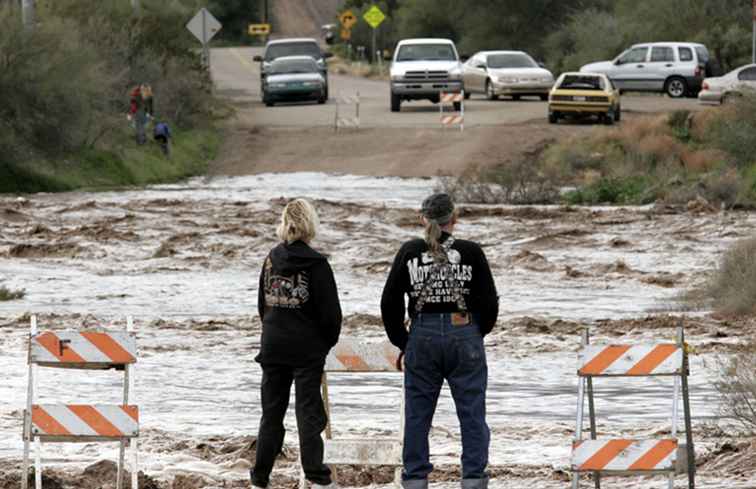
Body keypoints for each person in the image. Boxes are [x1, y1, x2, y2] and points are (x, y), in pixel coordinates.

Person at [381, 193, 498, 489]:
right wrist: (474, 333)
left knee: (417, 416)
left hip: (422, 337)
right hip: (465, 335)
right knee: (472, 414)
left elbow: (389, 303)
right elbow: (489, 303)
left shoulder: (409, 252)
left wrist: (403, 342)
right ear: (453, 219)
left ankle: (415, 480)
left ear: (423, 219)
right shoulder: (472, 252)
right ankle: (473, 479)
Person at [252, 199, 342, 489]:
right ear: (310, 225)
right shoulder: (317, 264)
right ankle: (317, 478)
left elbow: (262, 305)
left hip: (273, 346)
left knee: (271, 416)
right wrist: (323, 346)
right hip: (306, 351)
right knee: (309, 415)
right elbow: (331, 316)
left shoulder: (270, 259)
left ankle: (260, 480)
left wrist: (274, 331)